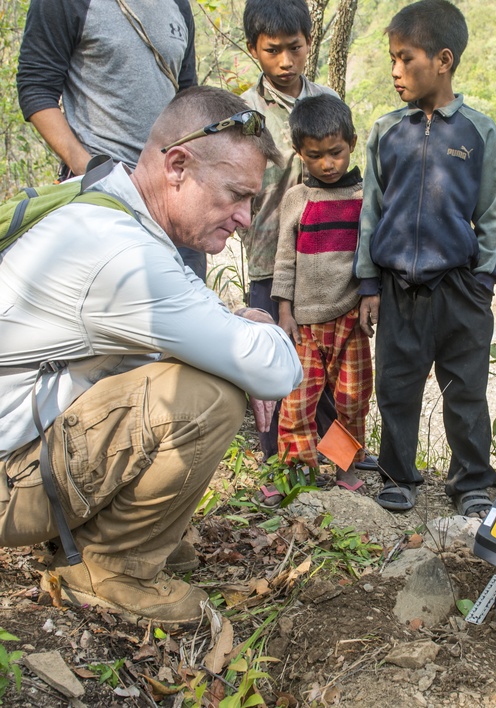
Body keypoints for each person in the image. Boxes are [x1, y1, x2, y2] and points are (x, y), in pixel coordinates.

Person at [0, 86, 302, 627]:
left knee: (198, 365)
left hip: (19, 459)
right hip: (8, 488)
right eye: (236, 195)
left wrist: (238, 323)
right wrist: (255, 330)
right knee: (210, 396)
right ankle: (109, 569)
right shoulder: (123, 253)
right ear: (178, 166)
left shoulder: (105, 208)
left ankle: (114, 532)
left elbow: (190, 326)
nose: (244, 217)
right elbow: (276, 370)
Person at [355, 0, 496, 519]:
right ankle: (398, 476)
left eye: (406, 58)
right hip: (398, 287)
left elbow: (493, 212)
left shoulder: (477, 131)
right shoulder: (386, 131)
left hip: (461, 288)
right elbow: (371, 211)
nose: (395, 71)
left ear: (443, 60)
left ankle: (471, 482)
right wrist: (369, 283)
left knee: (465, 389)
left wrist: (483, 282)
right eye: (392, 60)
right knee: (396, 386)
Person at [16, 0, 207, 280]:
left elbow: (187, 96)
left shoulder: (178, 4)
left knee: (188, 299)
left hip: (173, 199)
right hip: (102, 198)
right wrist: (91, 170)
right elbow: (36, 89)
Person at [239, 0, 347, 466]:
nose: (285, 61)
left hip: (327, 263)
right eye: (272, 50)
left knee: (332, 369)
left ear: (309, 42)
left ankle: (338, 461)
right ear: (253, 49)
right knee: (275, 363)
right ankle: (279, 463)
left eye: (295, 48)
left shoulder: (327, 102)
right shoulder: (243, 113)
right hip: (269, 259)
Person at [271, 94, 372, 493]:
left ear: (352, 143)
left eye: (336, 153)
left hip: (350, 318)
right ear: (300, 153)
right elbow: (284, 260)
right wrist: (284, 310)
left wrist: (370, 297)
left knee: (352, 398)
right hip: (305, 324)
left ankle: (345, 467)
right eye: (315, 156)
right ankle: (297, 470)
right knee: (298, 399)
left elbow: (372, 254)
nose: (328, 164)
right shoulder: (297, 199)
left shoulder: (365, 197)